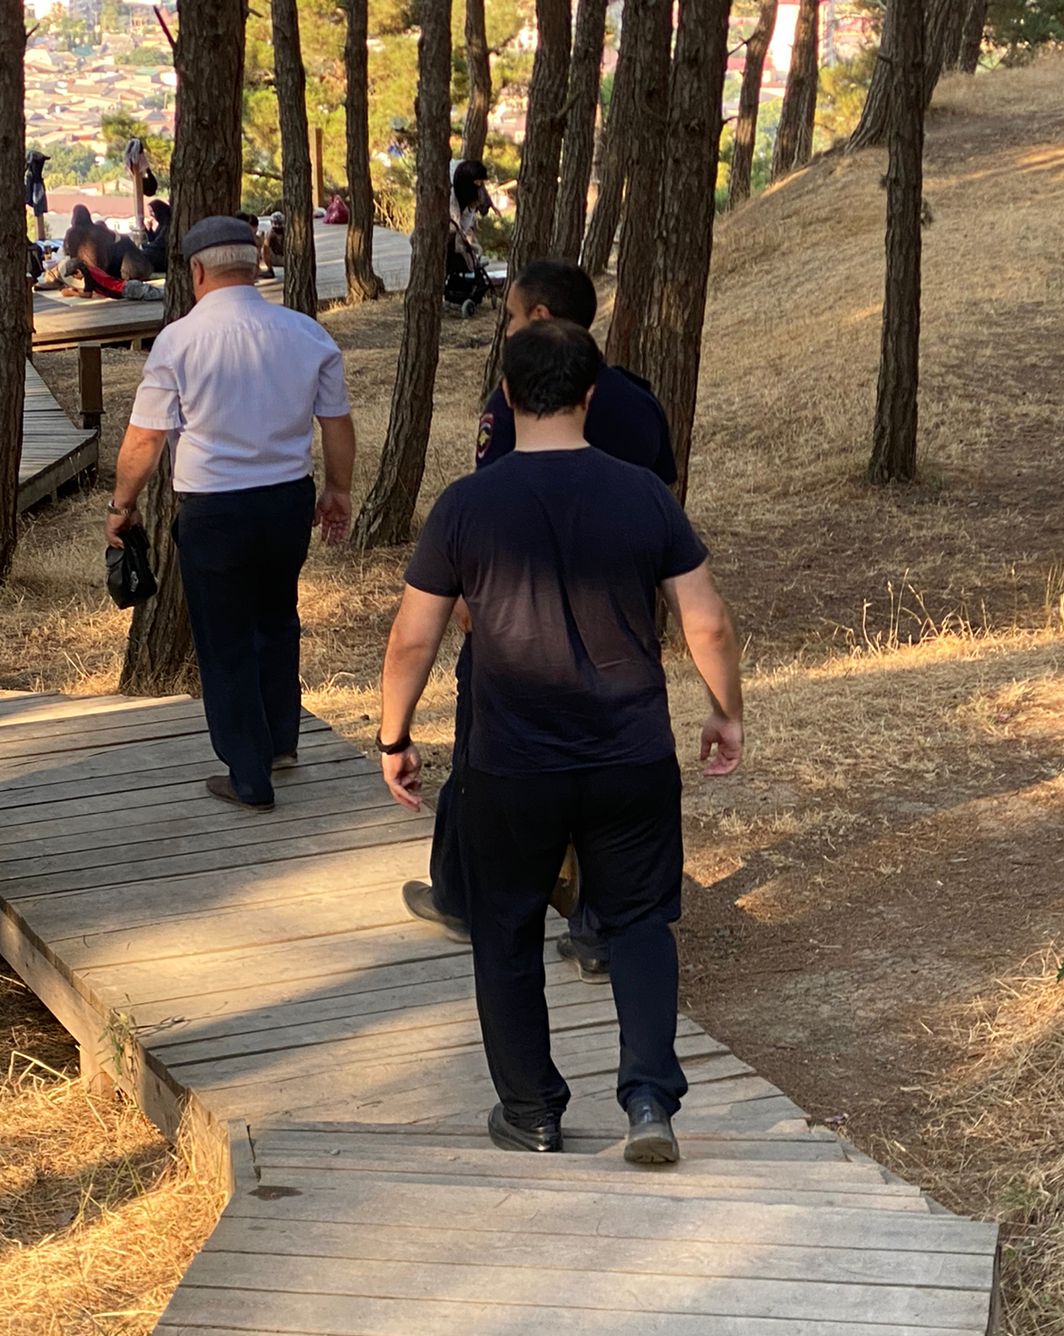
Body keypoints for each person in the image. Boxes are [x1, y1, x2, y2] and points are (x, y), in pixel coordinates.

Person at [378, 320, 743, 1163]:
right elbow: (708, 622)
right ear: (590, 393)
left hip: (511, 764)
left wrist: (395, 736)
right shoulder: (645, 494)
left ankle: (532, 1111)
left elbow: (412, 638)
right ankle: (648, 1100)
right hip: (630, 754)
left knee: (506, 930)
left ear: (507, 396)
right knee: (640, 923)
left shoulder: (466, 505)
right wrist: (725, 710)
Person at [404, 260, 677, 989]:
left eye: (513, 317)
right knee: (611, 778)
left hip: (514, 628)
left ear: (543, 317)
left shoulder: (515, 400)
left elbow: (489, 503)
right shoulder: (639, 403)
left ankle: (463, 895)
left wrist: (467, 602)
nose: (508, 330)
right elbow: (663, 503)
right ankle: (601, 932)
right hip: (617, 629)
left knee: (481, 760)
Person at [105, 216, 356, 812]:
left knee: (225, 641)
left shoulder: (179, 342)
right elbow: (336, 423)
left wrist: (122, 505)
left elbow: (145, 440)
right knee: (277, 621)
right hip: (287, 501)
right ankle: (281, 742)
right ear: (255, 261)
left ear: (196, 270)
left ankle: (249, 776)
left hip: (215, 509)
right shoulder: (307, 334)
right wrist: (338, 489)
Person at [143, 199, 171, 273]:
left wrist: (144, 245)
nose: (151, 214)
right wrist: (149, 230)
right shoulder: (162, 224)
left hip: (163, 256)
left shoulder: (167, 225)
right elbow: (153, 240)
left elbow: (159, 243)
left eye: (152, 211)